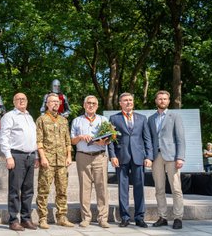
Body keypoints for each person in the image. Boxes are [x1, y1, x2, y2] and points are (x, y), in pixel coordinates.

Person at [107, 92, 153, 228]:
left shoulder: (142, 118)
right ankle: (125, 217)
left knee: (139, 188)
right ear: (120, 103)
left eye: (130, 100)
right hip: (121, 157)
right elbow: (110, 140)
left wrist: (149, 156)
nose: (129, 102)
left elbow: (147, 138)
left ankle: (140, 217)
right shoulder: (114, 118)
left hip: (139, 157)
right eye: (125, 100)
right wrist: (112, 156)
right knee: (123, 189)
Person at [0, 93, 39, 231]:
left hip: (30, 156)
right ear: (14, 101)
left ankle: (26, 219)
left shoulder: (29, 117)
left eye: (24, 99)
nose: (21, 101)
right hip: (16, 156)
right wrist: (8, 156)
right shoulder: (9, 116)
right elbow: (4, 137)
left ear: (27, 101)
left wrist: (37, 156)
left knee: (28, 191)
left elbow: (34, 138)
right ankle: (13, 220)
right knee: (15, 190)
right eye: (18, 99)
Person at [148, 90, 186, 229]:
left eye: (165, 99)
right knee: (159, 189)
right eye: (160, 99)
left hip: (172, 157)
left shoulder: (175, 116)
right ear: (156, 101)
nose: (162, 101)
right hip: (156, 157)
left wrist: (180, 157)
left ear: (168, 101)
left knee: (176, 188)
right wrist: (149, 156)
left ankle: (178, 218)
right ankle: (162, 217)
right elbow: (150, 139)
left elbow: (180, 138)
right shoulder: (151, 119)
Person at [70, 95, 110, 228]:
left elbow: (110, 138)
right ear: (84, 105)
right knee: (84, 188)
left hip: (100, 156)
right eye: (88, 103)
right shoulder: (77, 121)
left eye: (93, 103)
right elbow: (72, 141)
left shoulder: (103, 120)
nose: (91, 105)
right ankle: (86, 217)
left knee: (102, 187)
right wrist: (80, 137)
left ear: (97, 106)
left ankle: (103, 218)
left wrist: (103, 140)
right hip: (83, 156)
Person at [36, 93, 74, 229]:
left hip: (62, 162)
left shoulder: (64, 120)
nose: (55, 104)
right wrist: (43, 157)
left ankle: (62, 217)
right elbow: (39, 141)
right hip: (48, 161)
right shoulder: (41, 119)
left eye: (57, 102)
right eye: (52, 102)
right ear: (47, 103)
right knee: (43, 190)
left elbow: (67, 140)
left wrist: (69, 156)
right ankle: (42, 218)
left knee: (62, 190)